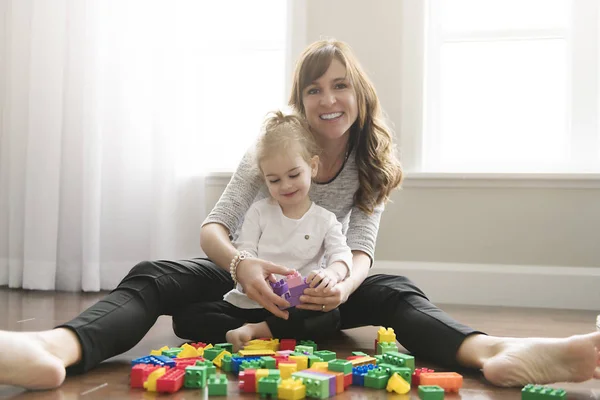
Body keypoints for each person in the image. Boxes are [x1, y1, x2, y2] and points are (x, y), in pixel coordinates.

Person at [1, 38, 599, 390]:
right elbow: (214, 226)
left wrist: (338, 283)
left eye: (340, 86)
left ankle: (491, 353)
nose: (328, 99)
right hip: (249, 279)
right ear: (302, 102)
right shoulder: (270, 152)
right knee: (159, 277)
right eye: (314, 89)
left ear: (358, 94)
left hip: (323, 288)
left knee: (393, 291)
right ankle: (56, 348)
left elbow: (361, 250)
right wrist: (242, 267)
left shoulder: (370, 163)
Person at [187, 110, 353, 352]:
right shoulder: (258, 212)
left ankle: (256, 332)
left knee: (331, 317)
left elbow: (343, 255)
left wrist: (332, 274)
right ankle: (251, 329)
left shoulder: (325, 220)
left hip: (295, 306)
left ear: (313, 166)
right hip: (252, 301)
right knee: (187, 317)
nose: (285, 185)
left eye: (294, 175)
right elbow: (246, 251)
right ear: (264, 179)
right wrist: (253, 276)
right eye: (274, 180)